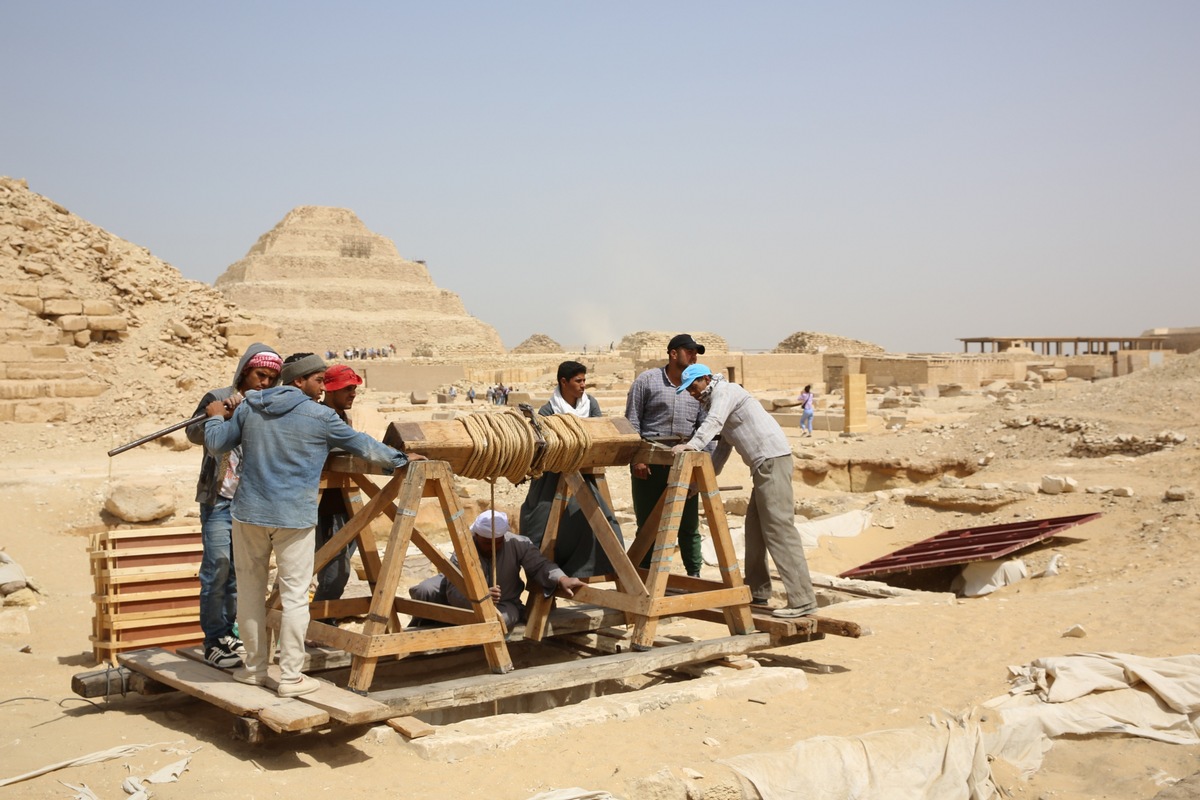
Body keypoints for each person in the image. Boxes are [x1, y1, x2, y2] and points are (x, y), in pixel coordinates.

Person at [203, 353, 425, 697]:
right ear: (297, 381)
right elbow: (365, 447)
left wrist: (216, 418)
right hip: (293, 517)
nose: (323, 388)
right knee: (293, 596)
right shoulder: (320, 417)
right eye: (319, 380)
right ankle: (290, 678)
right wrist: (401, 459)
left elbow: (217, 443)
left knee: (249, 592)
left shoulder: (249, 407)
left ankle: (254, 670)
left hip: (248, 513)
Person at [672, 364, 817, 618]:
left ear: (705, 379)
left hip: (772, 460)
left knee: (779, 530)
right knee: (754, 530)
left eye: (693, 387)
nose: (692, 394)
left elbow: (714, 422)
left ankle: (802, 599)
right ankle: (758, 592)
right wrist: (700, 484)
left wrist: (691, 446)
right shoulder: (716, 400)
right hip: (763, 466)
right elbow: (723, 450)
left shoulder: (724, 393)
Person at [185, 343, 282, 669]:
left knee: (243, 573)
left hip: (251, 503)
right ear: (245, 371)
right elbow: (193, 433)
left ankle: (232, 634)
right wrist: (220, 414)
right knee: (217, 567)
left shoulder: (268, 404)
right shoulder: (217, 396)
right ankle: (214, 639)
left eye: (272, 378)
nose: (265, 383)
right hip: (218, 500)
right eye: (260, 375)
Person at [520, 361, 624, 577]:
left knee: (596, 519)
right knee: (541, 521)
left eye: (585, 380)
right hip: (553, 476)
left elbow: (599, 435)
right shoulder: (548, 411)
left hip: (585, 472)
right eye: (578, 381)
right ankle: (548, 576)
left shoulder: (590, 405)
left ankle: (588, 572)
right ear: (564, 382)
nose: (583, 385)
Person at [408, 510, 585, 628]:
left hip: (504, 602)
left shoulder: (517, 543)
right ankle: (418, 633)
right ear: (476, 536)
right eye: (487, 542)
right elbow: (453, 592)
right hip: (464, 598)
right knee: (424, 591)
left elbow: (540, 565)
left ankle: (452, 629)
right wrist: (482, 596)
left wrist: (562, 579)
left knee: (498, 621)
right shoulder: (464, 548)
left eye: (498, 542)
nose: (493, 546)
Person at [624, 334, 707, 577]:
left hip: (684, 463)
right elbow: (632, 422)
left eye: (696, 353)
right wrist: (637, 458)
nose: (694, 356)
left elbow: (705, 429)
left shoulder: (698, 387)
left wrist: (699, 472)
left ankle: (694, 576)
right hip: (648, 463)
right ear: (673, 353)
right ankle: (644, 579)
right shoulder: (646, 381)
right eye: (689, 351)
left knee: (689, 526)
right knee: (648, 525)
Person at [312, 364, 364, 622]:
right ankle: (320, 619)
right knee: (336, 569)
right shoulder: (319, 417)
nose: (352, 394)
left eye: (354, 388)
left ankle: (324, 615)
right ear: (330, 391)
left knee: (340, 563)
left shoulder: (343, 417)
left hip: (346, 502)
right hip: (325, 505)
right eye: (347, 389)